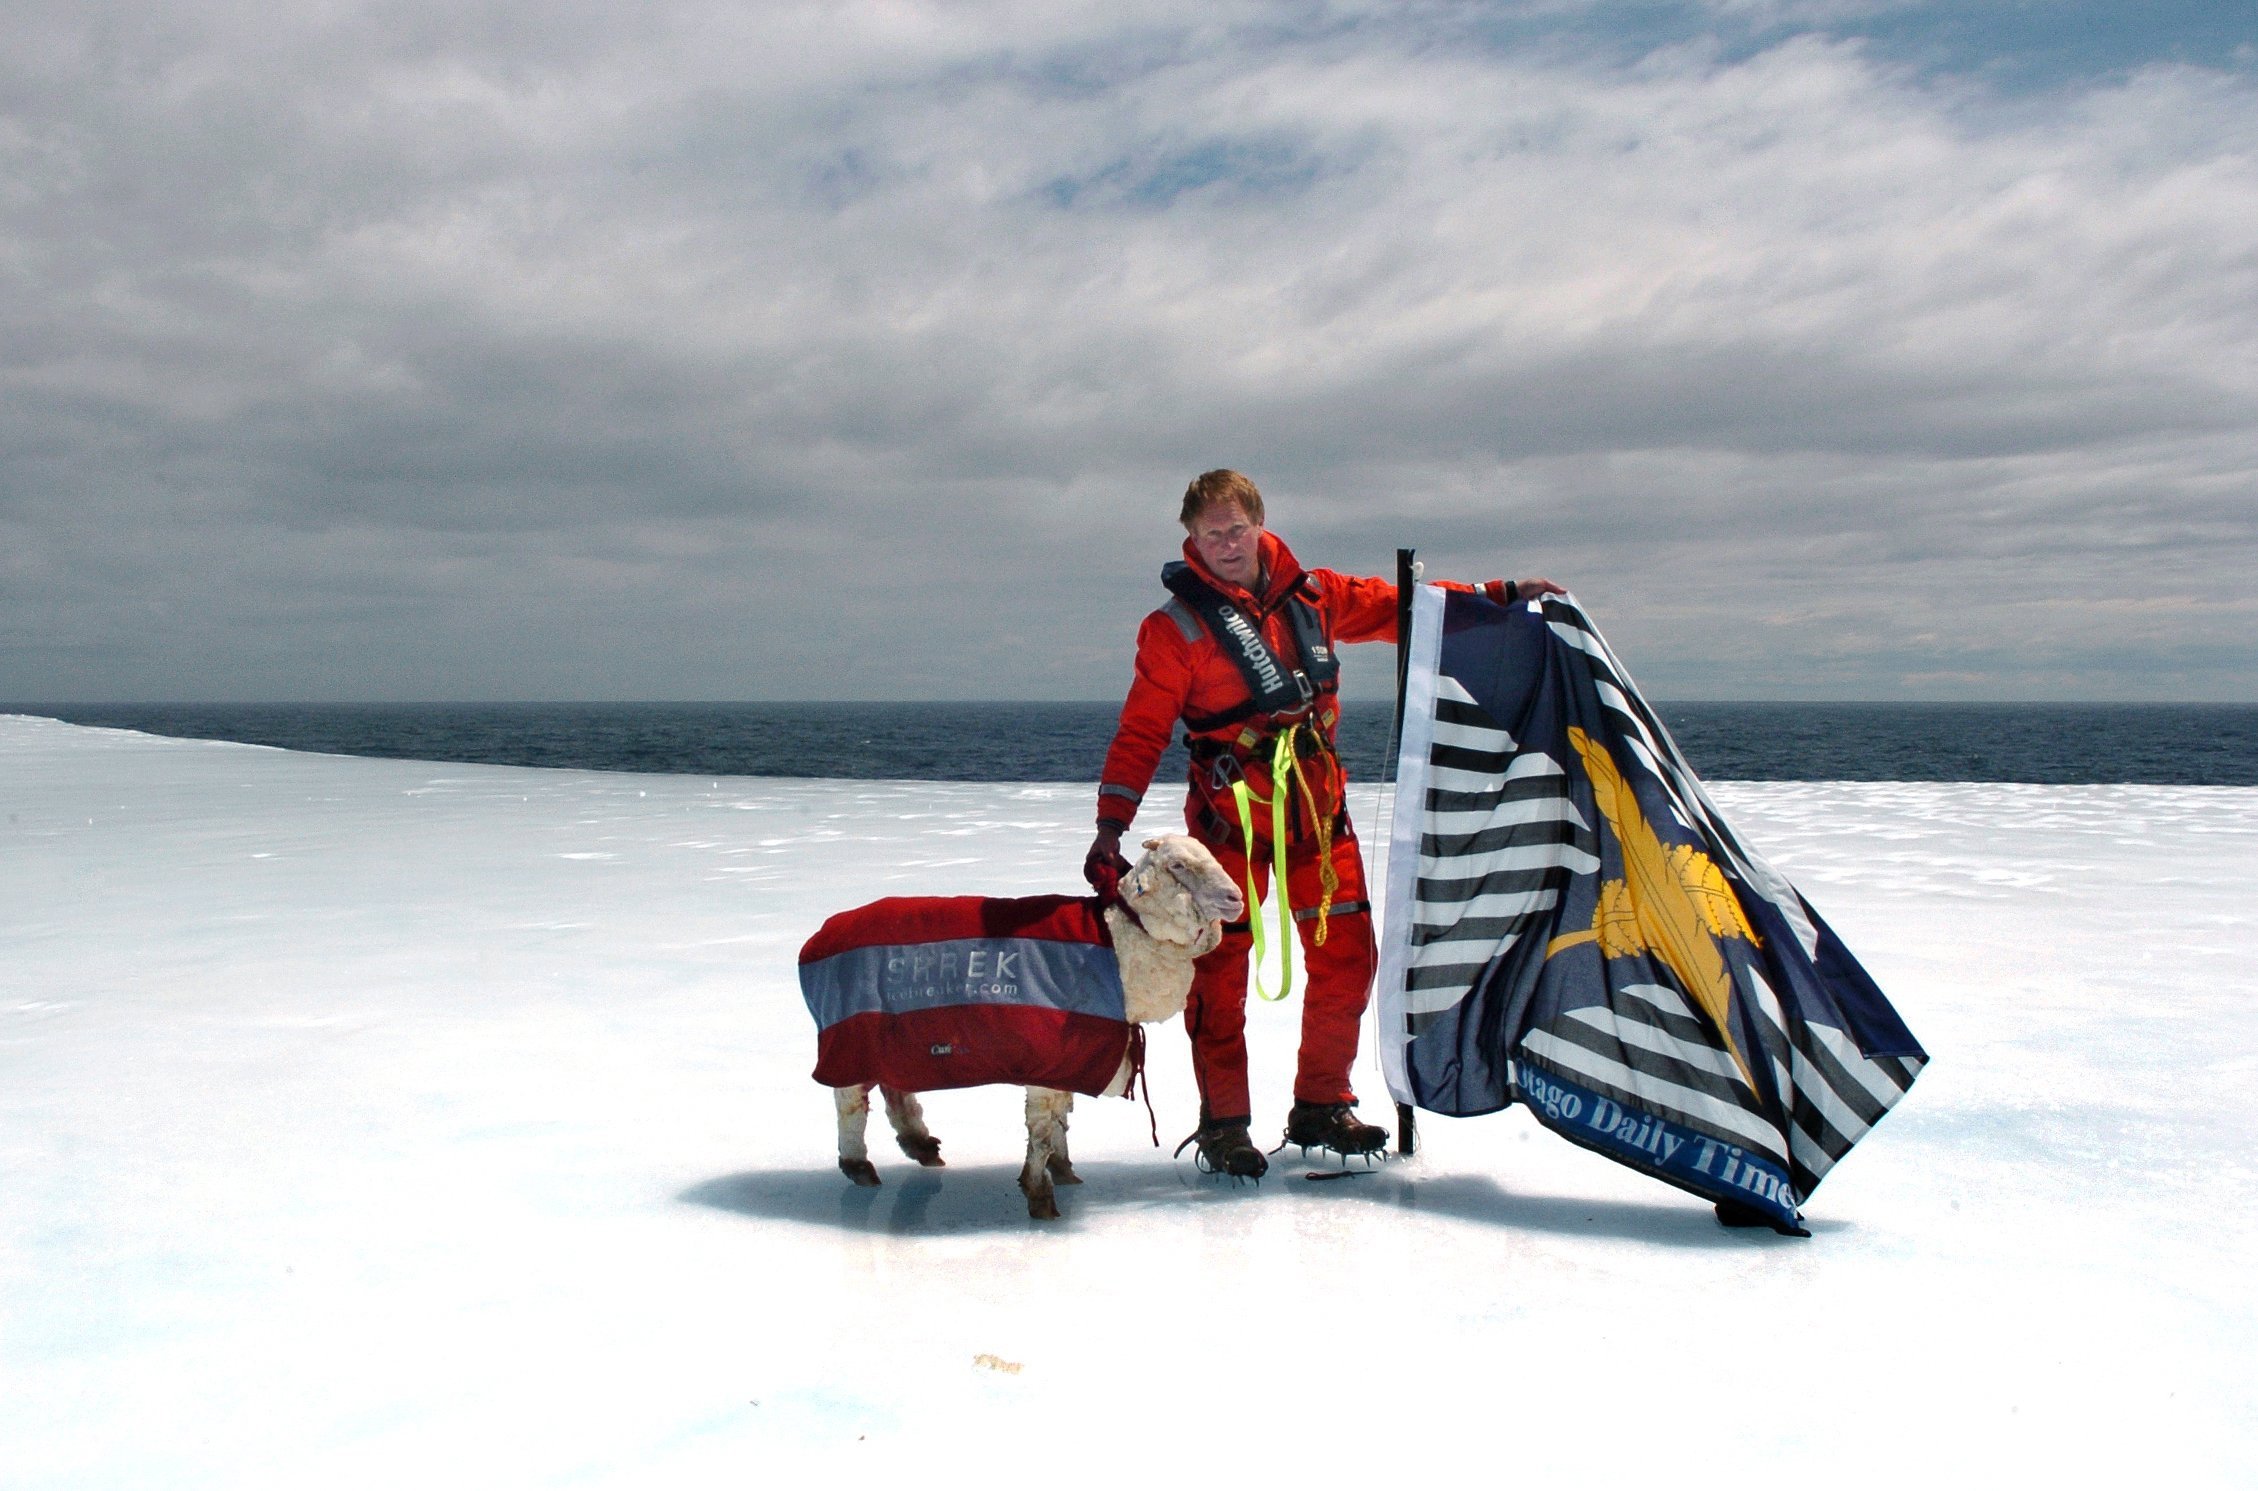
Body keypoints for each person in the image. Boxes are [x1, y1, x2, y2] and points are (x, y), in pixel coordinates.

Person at [1085, 470, 1563, 1178]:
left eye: (1235, 528)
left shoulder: (1318, 595)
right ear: (1191, 539)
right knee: (1219, 971)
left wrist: (1495, 597)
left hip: (1317, 815)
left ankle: (1321, 1102)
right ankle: (1224, 1123)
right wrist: (1110, 824)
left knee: (1347, 958)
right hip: (1228, 826)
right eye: (1209, 533)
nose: (1225, 544)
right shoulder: (1172, 630)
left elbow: (1410, 608)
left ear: (1258, 523)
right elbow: (1140, 731)